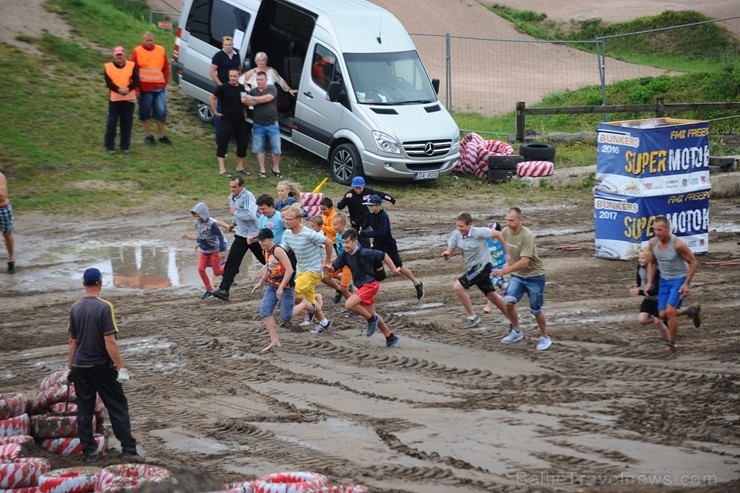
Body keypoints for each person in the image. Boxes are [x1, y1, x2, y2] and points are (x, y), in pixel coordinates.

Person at [65, 268, 143, 462]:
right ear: (100, 283)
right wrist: (121, 367)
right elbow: (110, 341)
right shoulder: (104, 307)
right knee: (117, 406)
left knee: (85, 409)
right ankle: (129, 450)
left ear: (84, 284)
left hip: (80, 367)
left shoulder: (75, 307)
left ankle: (90, 452)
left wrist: (69, 367)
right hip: (100, 365)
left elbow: (73, 341)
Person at [324, 228, 401, 348]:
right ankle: (390, 337)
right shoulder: (345, 254)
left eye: (347, 242)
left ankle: (371, 320)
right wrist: (329, 269)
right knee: (373, 313)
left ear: (355, 241)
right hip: (362, 287)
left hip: (371, 285)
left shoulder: (364, 253)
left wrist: (393, 269)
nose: (345, 245)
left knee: (349, 304)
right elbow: (335, 266)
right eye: (343, 243)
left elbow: (383, 255)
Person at [492, 207, 552, 351]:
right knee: (508, 302)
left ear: (520, 220)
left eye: (511, 220)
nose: (508, 223)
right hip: (518, 276)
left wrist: (505, 270)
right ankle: (516, 331)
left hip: (534, 276)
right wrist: (507, 259)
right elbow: (502, 244)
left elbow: (525, 262)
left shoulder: (527, 236)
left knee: (536, 310)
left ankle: (545, 337)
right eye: (507, 220)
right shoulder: (505, 232)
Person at [441, 213, 510, 328]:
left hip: (484, 265)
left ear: (469, 225)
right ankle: (512, 318)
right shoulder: (456, 234)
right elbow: (450, 251)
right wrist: (447, 254)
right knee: (492, 296)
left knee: (458, 286)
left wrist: (507, 254)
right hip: (473, 268)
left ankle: (472, 317)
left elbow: (499, 234)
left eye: (462, 226)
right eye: (457, 226)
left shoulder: (479, 232)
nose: (459, 229)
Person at [644, 216, 701, 352]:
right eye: (654, 230)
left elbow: (693, 262)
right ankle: (690, 310)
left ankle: (672, 343)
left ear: (667, 230)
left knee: (670, 311)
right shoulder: (653, 243)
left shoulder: (678, 245)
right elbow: (651, 263)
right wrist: (649, 282)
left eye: (660, 230)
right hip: (664, 280)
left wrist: (686, 284)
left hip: (679, 279)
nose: (657, 233)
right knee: (662, 314)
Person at [280, 204, 334, 333]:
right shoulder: (287, 234)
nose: (286, 222)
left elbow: (329, 242)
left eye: (289, 219)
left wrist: (326, 262)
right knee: (309, 301)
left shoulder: (308, 233)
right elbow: (282, 250)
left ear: (298, 219)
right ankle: (324, 322)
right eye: (285, 219)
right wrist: (270, 263)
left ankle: (308, 307)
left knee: (293, 293)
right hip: (300, 270)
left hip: (313, 271)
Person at [359, 195, 424, 300]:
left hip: (389, 246)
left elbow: (381, 232)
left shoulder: (383, 216)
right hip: (377, 245)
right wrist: (360, 229)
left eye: (371, 206)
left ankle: (416, 283)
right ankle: (376, 278)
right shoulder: (369, 215)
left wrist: (365, 234)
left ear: (378, 205)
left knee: (400, 267)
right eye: (368, 206)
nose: (369, 208)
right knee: (369, 258)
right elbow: (365, 224)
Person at [211, 176, 265, 301]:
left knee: (265, 259)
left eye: (234, 187)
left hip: (254, 235)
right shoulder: (232, 197)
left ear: (242, 186)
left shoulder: (247, 196)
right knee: (232, 262)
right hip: (241, 235)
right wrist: (233, 223)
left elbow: (251, 215)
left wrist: (234, 213)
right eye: (231, 186)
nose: (232, 189)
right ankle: (224, 290)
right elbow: (238, 212)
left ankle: (288, 276)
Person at [251, 228, 295, 354]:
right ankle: (274, 341)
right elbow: (269, 270)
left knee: (286, 317)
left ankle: (305, 304)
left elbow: (290, 270)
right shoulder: (265, 251)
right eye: (259, 240)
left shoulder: (278, 251)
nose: (261, 243)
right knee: (265, 311)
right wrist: (260, 282)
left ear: (271, 239)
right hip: (272, 286)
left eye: (263, 240)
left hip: (286, 288)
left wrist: (281, 287)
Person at [131, 31, 171, 146]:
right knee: (145, 112)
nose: (149, 42)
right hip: (144, 89)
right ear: (142, 41)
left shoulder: (161, 50)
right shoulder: (137, 51)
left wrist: (164, 83)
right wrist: (137, 89)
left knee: (161, 112)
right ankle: (148, 136)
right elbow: (133, 71)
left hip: (159, 88)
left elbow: (166, 68)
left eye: (151, 40)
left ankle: (162, 136)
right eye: (147, 40)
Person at [181, 202, 228, 299]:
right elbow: (200, 236)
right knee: (200, 269)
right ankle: (209, 290)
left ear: (204, 214)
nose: (197, 217)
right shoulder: (197, 223)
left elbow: (220, 235)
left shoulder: (212, 224)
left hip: (214, 250)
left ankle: (230, 265)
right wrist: (191, 239)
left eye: (198, 215)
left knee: (217, 272)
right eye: (195, 215)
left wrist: (222, 249)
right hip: (204, 251)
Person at [209, 69, 249, 177]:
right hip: (227, 120)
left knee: (243, 142)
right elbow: (212, 98)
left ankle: (240, 166)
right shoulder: (223, 88)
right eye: (231, 76)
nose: (233, 78)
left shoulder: (241, 88)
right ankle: (222, 169)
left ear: (238, 76)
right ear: (229, 76)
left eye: (235, 76)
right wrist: (215, 111)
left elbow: (244, 101)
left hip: (239, 120)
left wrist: (245, 111)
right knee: (223, 142)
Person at [336, 176, 396, 247]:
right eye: (356, 188)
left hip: (366, 220)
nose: (358, 190)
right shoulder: (349, 194)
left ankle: (367, 252)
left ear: (363, 186)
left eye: (360, 188)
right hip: (355, 221)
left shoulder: (368, 192)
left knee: (365, 238)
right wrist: (345, 199)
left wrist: (392, 200)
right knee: (356, 239)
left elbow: (381, 195)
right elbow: (339, 206)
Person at [103, 46, 139, 154]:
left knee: (127, 124)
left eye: (121, 54)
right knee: (112, 123)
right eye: (117, 55)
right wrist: (119, 90)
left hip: (128, 100)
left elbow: (136, 80)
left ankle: (125, 146)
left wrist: (128, 88)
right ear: (114, 55)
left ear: (124, 55)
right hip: (115, 100)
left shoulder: (131, 65)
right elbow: (109, 83)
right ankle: (110, 146)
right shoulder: (108, 67)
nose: (119, 56)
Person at [247, 71, 283, 178]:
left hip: (272, 124)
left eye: (261, 80)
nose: (259, 82)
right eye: (257, 80)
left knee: (276, 149)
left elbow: (268, 98)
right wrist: (259, 100)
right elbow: (246, 102)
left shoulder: (272, 88)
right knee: (259, 149)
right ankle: (262, 170)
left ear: (266, 80)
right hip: (258, 124)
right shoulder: (253, 91)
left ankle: (276, 168)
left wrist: (255, 99)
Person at [210, 35, 242, 143]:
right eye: (225, 45)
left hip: (234, 87)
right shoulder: (218, 55)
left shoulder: (237, 55)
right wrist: (220, 86)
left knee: (233, 112)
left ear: (233, 45)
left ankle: (231, 135)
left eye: (229, 45)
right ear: (222, 45)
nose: (228, 47)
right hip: (224, 88)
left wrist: (239, 82)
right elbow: (212, 72)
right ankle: (219, 137)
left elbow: (239, 69)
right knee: (221, 112)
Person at [323, 211, 352, 304]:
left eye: (336, 225)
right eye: (333, 224)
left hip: (348, 264)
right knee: (324, 277)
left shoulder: (348, 236)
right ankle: (340, 289)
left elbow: (348, 252)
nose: (334, 227)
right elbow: (341, 253)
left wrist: (332, 260)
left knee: (345, 288)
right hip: (341, 262)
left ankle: (354, 305)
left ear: (343, 224)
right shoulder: (338, 234)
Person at [483, 221, 509, 314]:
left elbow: (507, 253)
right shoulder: (486, 241)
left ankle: (506, 304)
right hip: (490, 269)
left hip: (500, 269)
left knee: (505, 287)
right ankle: (491, 305)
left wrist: (507, 264)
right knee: (496, 286)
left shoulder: (502, 241)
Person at [0, 171, 14, 274]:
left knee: (7, 235)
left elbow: (2, 195)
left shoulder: (0, 176)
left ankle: (11, 259)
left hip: (2, 209)